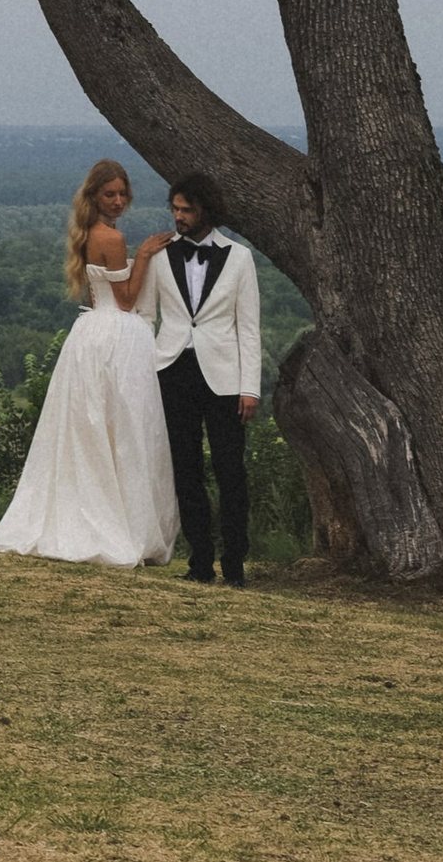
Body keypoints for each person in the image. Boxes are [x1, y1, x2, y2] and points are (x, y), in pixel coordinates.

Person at [0, 158, 180, 567]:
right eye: (110, 194)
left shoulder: (87, 233)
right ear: (94, 196)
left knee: (92, 427)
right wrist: (142, 256)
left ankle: (97, 507)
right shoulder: (111, 238)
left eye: (123, 194)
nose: (119, 201)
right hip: (115, 336)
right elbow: (124, 300)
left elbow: (95, 295)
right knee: (122, 428)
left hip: (90, 336)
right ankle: (119, 519)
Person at [141, 171, 263, 585]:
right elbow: (144, 313)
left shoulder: (239, 257)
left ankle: (235, 564)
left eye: (186, 210)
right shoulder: (160, 254)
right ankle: (200, 562)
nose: (178, 217)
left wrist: (250, 388)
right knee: (185, 469)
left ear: (206, 210)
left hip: (225, 379)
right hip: (173, 370)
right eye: (175, 209)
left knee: (232, 472)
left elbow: (249, 327)